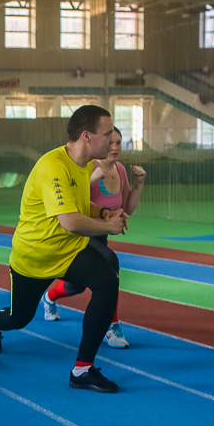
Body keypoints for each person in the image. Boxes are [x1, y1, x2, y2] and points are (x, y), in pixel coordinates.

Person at [0, 105, 128, 394]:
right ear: (87, 136)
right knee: (19, 318)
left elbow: (78, 206)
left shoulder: (84, 164)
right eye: (108, 134)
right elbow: (71, 221)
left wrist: (102, 214)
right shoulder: (53, 166)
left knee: (108, 280)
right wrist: (109, 227)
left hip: (69, 250)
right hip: (34, 255)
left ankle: (83, 369)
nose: (113, 141)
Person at [41, 127, 146, 349]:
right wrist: (89, 181)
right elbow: (70, 205)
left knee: (75, 287)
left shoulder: (119, 170)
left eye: (119, 143)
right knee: (111, 264)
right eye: (110, 143)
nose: (115, 147)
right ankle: (112, 326)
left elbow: (127, 207)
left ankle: (50, 297)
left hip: (100, 237)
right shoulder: (85, 168)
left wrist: (138, 185)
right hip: (79, 237)